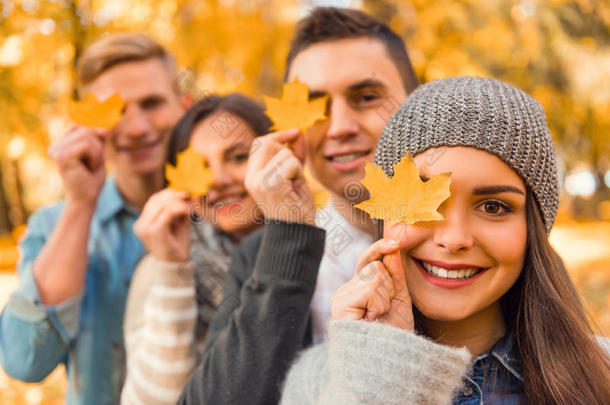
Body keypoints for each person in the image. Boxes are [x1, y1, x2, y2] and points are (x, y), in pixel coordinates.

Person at [280, 77, 610, 405]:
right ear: (383, 215)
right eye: (425, 201)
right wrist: (378, 373)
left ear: (533, 230)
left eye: (493, 207)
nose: (453, 239)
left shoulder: (601, 373)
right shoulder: (316, 383)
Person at [179, 6, 418, 404]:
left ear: (414, 101)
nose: (339, 126)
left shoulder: (461, 243)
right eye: (316, 106)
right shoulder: (261, 256)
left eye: (366, 97)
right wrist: (289, 235)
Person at [0, 33, 189, 404]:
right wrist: (81, 204)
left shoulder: (226, 214)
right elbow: (24, 361)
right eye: (116, 110)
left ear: (184, 106)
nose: (136, 128)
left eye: (152, 103)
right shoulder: (54, 224)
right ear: (87, 123)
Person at [121, 93, 271, 405]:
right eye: (200, 167)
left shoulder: (320, 247)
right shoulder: (157, 271)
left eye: (238, 157)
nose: (218, 179)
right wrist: (172, 270)